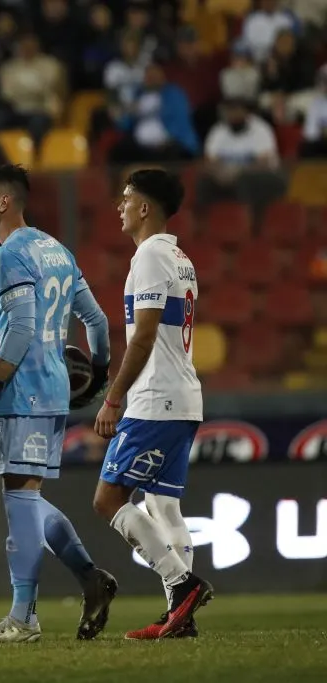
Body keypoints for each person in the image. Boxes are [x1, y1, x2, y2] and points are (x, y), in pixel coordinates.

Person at [0, 164, 117, 644]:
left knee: (20, 499)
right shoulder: (58, 250)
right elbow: (98, 322)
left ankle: (23, 617)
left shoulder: (10, 255)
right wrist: (99, 376)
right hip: (53, 393)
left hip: (21, 390)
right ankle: (90, 578)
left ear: (4, 202)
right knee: (29, 497)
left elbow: (23, 330)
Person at [93, 169, 213, 639]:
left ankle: (180, 585)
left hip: (155, 399)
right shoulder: (180, 258)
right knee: (164, 506)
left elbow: (143, 337)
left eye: (125, 199)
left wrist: (114, 397)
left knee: (107, 499)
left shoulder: (148, 256)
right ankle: (180, 619)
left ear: (145, 208)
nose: (119, 207)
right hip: (184, 397)